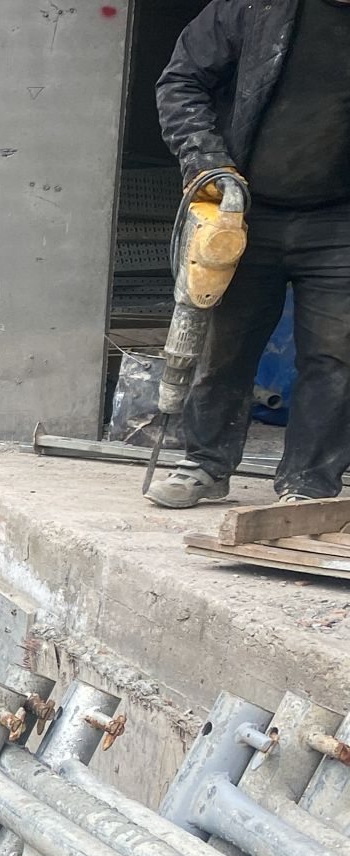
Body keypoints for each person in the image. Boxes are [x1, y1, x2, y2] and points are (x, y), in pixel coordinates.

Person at [147, 0, 350, 508]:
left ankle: (309, 486)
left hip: (340, 222)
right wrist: (207, 161)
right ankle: (206, 466)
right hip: (244, 212)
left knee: (336, 356)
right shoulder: (254, 7)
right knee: (226, 348)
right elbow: (182, 80)